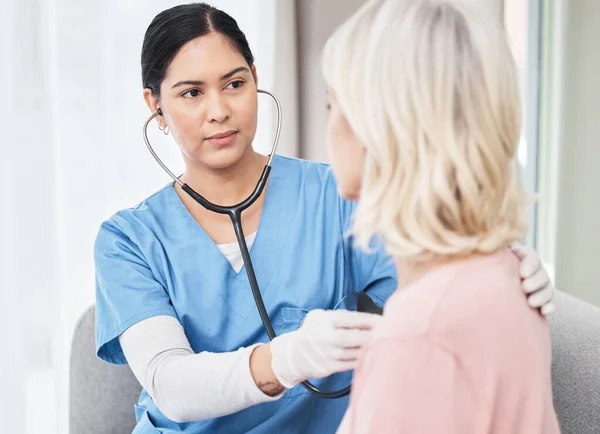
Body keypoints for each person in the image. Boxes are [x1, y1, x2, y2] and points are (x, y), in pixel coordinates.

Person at [94, 3, 555, 433]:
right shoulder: (128, 239)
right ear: (156, 107)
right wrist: (288, 356)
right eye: (191, 93)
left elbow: (441, 290)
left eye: (234, 84)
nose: (219, 111)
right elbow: (171, 385)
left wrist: (506, 268)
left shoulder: (341, 196)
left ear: (255, 79)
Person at [321, 0, 561, 432]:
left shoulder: (420, 339)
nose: (330, 126)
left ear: (380, 129)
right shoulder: (507, 274)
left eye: (332, 106)